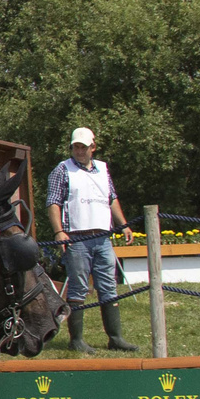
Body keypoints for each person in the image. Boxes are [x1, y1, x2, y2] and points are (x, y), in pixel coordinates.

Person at [48, 127, 138, 353]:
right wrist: (59, 231)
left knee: (108, 286)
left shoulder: (103, 170)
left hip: (103, 237)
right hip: (76, 237)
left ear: (93, 147)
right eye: (75, 146)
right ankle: (76, 340)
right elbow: (53, 202)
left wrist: (123, 224)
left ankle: (115, 338)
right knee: (78, 289)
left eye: (83, 147)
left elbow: (111, 199)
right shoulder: (62, 170)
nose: (79, 150)